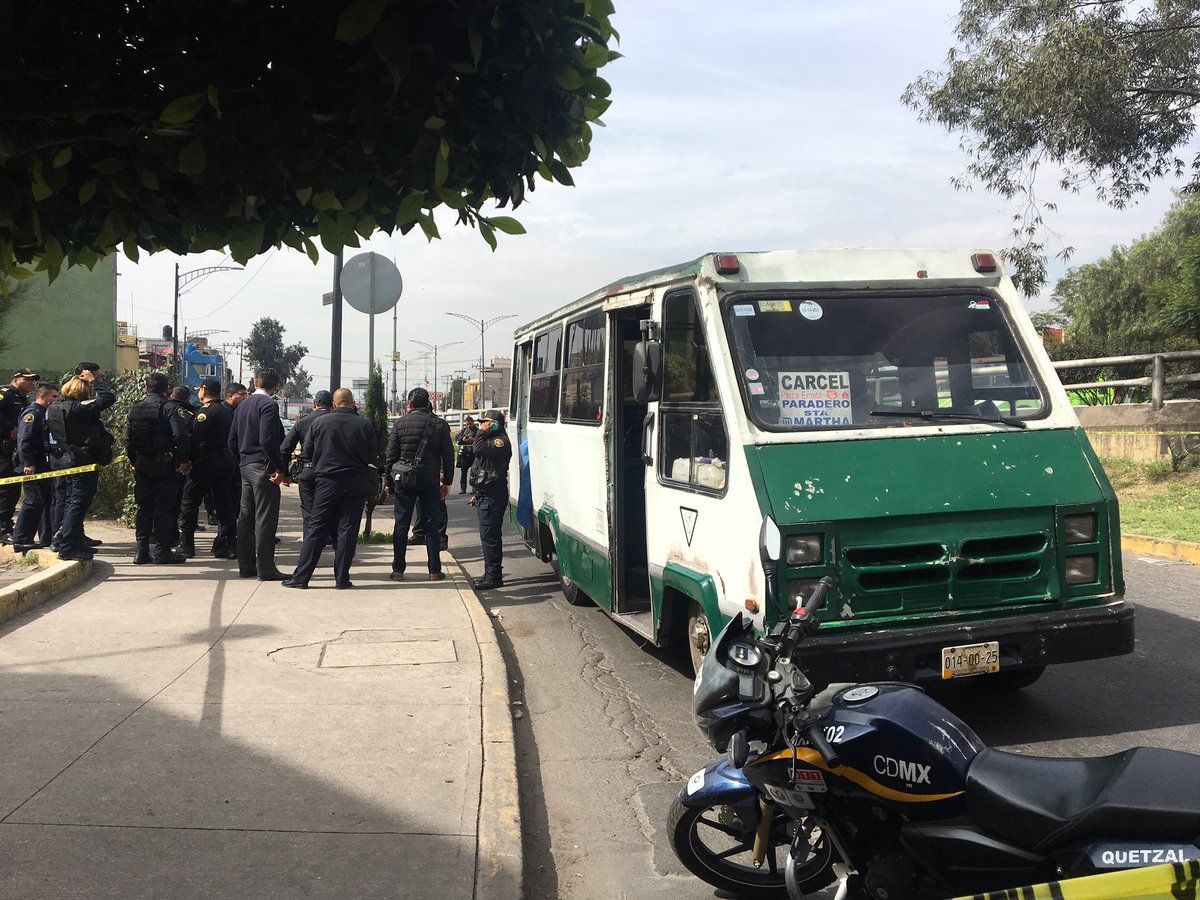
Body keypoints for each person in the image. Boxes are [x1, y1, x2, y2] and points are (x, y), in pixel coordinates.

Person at [284, 389, 377, 590]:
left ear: (334, 405)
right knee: (348, 529)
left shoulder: (319, 423)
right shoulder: (365, 425)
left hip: (327, 481)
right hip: (356, 481)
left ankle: (301, 577)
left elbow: (307, 453)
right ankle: (342, 578)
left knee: (316, 527)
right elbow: (372, 455)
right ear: (353, 404)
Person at [46, 368, 116, 561]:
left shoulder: (56, 407)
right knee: (77, 504)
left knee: (71, 502)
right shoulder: (78, 407)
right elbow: (108, 398)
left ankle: (74, 542)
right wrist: (94, 381)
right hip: (81, 459)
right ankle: (68, 547)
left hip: (66, 457)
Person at [386, 387, 453, 581]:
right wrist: (447, 482)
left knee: (401, 524)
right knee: (432, 524)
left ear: (409, 404)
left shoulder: (400, 423)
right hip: (429, 479)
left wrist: (389, 483)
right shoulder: (439, 424)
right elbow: (448, 456)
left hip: (404, 480)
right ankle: (434, 571)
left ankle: (398, 570)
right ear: (428, 404)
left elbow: (391, 456)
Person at [228, 369, 289, 580]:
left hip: (246, 465)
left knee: (245, 518)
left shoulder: (242, 406)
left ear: (256, 382)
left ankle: (246, 566)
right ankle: (266, 568)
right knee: (265, 519)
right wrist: (280, 468)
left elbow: (232, 441)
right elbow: (267, 440)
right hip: (263, 467)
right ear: (276, 387)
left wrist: (242, 461)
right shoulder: (268, 405)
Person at [126, 373, 192, 565]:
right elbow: (180, 436)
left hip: (142, 465)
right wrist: (183, 460)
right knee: (164, 508)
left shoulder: (135, 409)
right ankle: (162, 551)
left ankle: (141, 551)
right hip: (164, 465)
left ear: (147, 388)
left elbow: (128, 440)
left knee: (144, 508)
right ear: (167, 390)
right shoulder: (170, 409)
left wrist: (134, 461)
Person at [179, 377, 237, 559]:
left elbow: (196, 438)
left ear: (204, 390)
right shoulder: (226, 411)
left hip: (206, 462)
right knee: (224, 504)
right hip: (225, 461)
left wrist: (188, 460)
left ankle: (187, 545)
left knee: (189, 500)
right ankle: (226, 545)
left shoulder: (206, 412)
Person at [11, 382, 59, 553]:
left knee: (45, 501)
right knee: (33, 501)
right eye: (53, 396)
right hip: (32, 465)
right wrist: (28, 463)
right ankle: (21, 539)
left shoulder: (43, 413)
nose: (55, 400)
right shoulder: (32, 414)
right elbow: (24, 441)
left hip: (43, 465)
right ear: (42, 396)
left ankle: (46, 538)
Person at [281, 390, 333, 541]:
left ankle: (310, 541)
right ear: (332, 405)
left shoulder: (303, 422)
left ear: (314, 404)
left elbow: (285, 448)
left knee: (309, 510)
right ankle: (329, 537)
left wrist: (285, 473)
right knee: (330, 508)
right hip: (331, 473)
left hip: (309, 470)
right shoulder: (336, 421)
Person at [470, 409, 512, 589]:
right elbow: (481, 465)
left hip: (493, 496)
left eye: (486, 423)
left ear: (495, 424)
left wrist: (480, 432)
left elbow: (478, 448)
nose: (483, 426)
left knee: (490, 538)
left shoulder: (500, 442)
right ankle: (490, 574)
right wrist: (476, 493)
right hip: (485, 494)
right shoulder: (489, 440)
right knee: (488, 536)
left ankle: (493, 577)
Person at [0, 368, 38, 543]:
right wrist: (9, 428)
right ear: (15, 380)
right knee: (7, 490)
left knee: (13, 489)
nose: (31, 383)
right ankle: (2, 528)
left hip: (13, 451)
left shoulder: (23, 399)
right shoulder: (5, 395)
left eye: (32, 380)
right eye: (26, 379)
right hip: (3, 451)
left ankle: (6, 524)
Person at [455, 416, 478, 494]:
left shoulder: (477, 431)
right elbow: (457, 439)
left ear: (473, 423)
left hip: (473, 454)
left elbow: (480, 440)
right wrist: (462, 439)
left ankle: (474, 490)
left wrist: (473, 440)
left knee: (474, 473)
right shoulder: (464, 430)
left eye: (470, 424)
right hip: (464, 455)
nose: (468, 425)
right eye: (467, 424)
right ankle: (463, 489)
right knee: (463, 472)